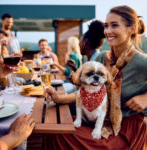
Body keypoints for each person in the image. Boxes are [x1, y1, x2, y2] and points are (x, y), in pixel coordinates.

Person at [45, 5, 147, 150]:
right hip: (98, 120)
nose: (108, 31)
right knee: (56, 127)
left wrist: (145, 98)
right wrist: (57, 98)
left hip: (124, 131)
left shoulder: (142, 61)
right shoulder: (100, 57)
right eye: (106, 26)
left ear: (131, 29)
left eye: (114, 25)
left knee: (60, 134)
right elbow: (84, 91)